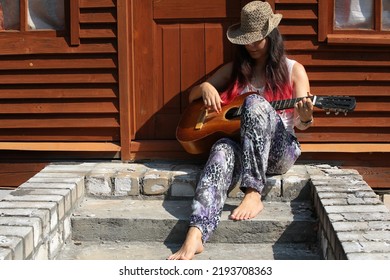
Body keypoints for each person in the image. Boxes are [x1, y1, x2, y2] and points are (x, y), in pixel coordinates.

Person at [168, 1, 313, 260]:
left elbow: (302, 123)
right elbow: (193, 96)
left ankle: (253, 193)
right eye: (246, 40)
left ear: (271, 35)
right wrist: (204, 88)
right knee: (222, 149)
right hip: (242, 148)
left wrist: (305, 116)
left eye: (257, 39)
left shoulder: (294, 70)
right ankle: (197, 231)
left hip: (280, 151)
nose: (251, 45)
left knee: (254, 102)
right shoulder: (235, 71)